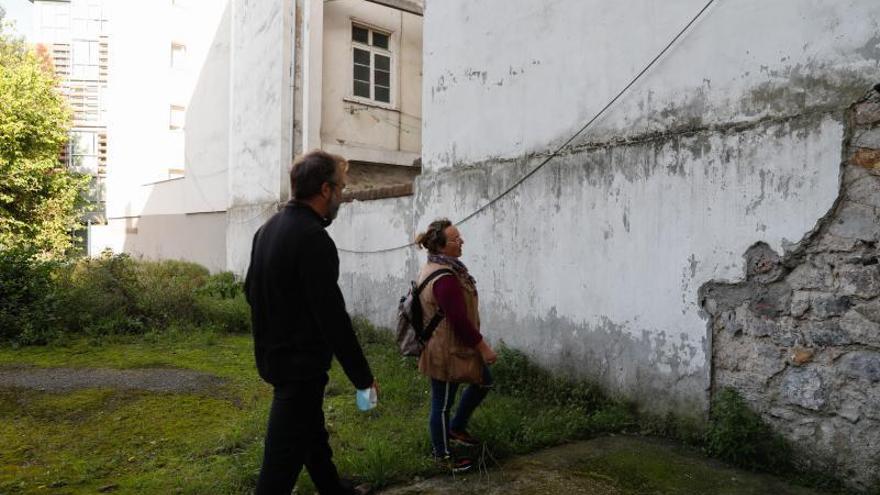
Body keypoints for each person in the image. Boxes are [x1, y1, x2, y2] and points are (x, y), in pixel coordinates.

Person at [245, 150, 377, 495]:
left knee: (311, 434)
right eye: (341, 188)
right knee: (278, 469)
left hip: (275, 358)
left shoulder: (267, 229)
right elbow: (332, 317)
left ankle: (333, 489)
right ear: (324, 189)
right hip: (299, 370)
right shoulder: (313, 238)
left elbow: (250, 291)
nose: (342, 197)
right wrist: (363, 378)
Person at [414, 218, 498, 473]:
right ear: (441, 246)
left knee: (484, 380)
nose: (462, 241)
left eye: (459, 237)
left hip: (450, 345)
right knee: (441, 404)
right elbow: (459, 320)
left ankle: (456, 427)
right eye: (455, 239)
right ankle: (443, 456)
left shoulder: (442, 267)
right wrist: (483, 347)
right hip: (445, 349)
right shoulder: (444, 278)